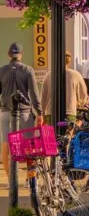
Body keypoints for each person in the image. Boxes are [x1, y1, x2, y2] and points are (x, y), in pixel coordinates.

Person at [0, 43, 43, 177]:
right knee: (29, 145)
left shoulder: (1, 70)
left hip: (6, 111)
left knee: (6, 145)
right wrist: (39, 112)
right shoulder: (27, 70)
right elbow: (34, 94)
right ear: (21, 55)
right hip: (24, 112)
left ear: (9, 55)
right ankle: (30, 178)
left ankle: (10, 180)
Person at [41, 52, 89, 123]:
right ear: (69, 61)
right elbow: (83, 96)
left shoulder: (48, 75)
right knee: (68, 133)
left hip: (50, 113)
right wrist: (79, 107)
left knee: (51, 134)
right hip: (69, 112)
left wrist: (42, 114)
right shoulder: (76, 75)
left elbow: (43, 98)